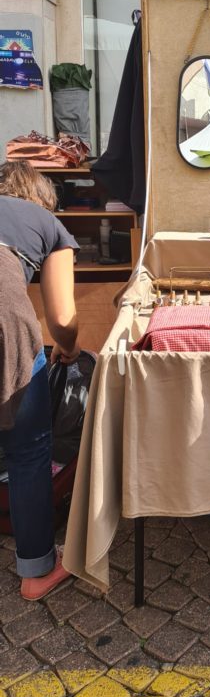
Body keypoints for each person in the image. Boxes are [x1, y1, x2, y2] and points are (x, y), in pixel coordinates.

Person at [0, 160, 80, 600]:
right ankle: (36, 571)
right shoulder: (47, 223)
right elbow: (63, 318)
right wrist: (66, 347)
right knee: (28, 452)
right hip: (3, 325)